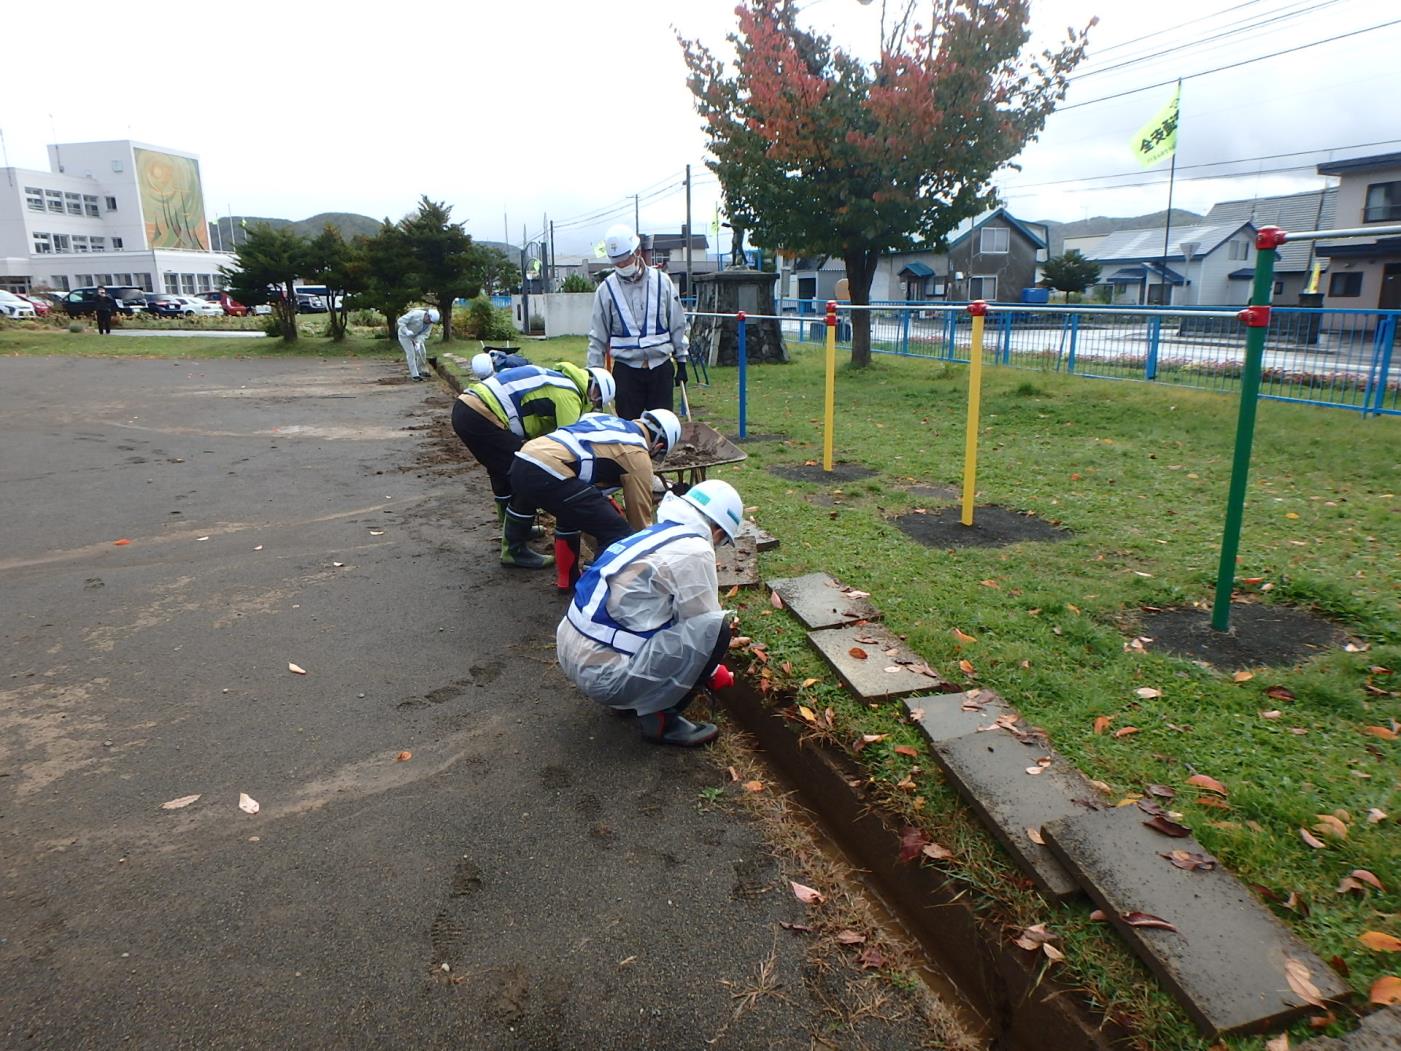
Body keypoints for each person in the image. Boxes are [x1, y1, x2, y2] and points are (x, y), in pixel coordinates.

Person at [555, 479, 744, 747]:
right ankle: (661, 717)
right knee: (718, 630)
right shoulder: (696, 549)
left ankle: (627, 699)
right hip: (603, 677)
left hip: (571, 652)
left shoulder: (654, 533)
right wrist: (712, 671)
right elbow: (701, 624)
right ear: (717, 531)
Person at [505, 409, 682, 581]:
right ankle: (595, 582)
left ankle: (563, 577)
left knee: (572, 512)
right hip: (548, 471)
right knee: (618, 533)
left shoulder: (607, 420)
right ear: (658, 446)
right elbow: (639, 520)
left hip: (524, 457)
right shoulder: (637, 454)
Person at [451, 362, 616, 528]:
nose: (594, 403)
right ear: (592, 384)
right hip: (481, 413)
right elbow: (569, 446)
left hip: (466, 408)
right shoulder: (569, 395)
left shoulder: (557, 379)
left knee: (500, 468)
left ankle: (508, 525)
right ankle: (516, 546)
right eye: (597, 398)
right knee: (527, 473)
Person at [587, 224, 690, 421]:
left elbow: (677, 323)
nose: (623, 266)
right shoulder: (605, 290)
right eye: (617, 263)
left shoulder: (663, 282)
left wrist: (682, 360)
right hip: (626, 373)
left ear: (637, 252)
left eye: (626, 260)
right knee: (628, 433)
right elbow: (597, 338)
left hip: (660, 368)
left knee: (662, 430)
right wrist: (595, 378)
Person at [397, 307, 440, 381]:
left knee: (422, 352)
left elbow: (425, 335)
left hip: (415, 336)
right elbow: (400, 321)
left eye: (431, 322)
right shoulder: (415, 314)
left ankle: (420, 370)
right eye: (429, 320)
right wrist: (406, 331)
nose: (429, 323)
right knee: (411, 354)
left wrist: (418, 342)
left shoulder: (429, 324)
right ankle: (415, 375)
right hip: (404, 335)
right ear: (427, 315)